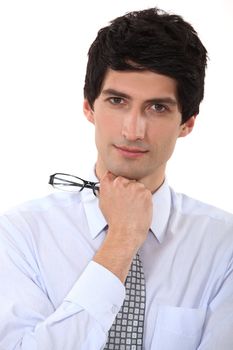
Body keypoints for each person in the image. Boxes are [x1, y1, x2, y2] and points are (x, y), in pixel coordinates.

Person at [0, 7, 233, 350]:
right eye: (117, 100)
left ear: (188, 123)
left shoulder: (223, 246)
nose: (133, 130)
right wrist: (122, 241)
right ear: (89, 108)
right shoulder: (20, 235)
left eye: (158, 108)